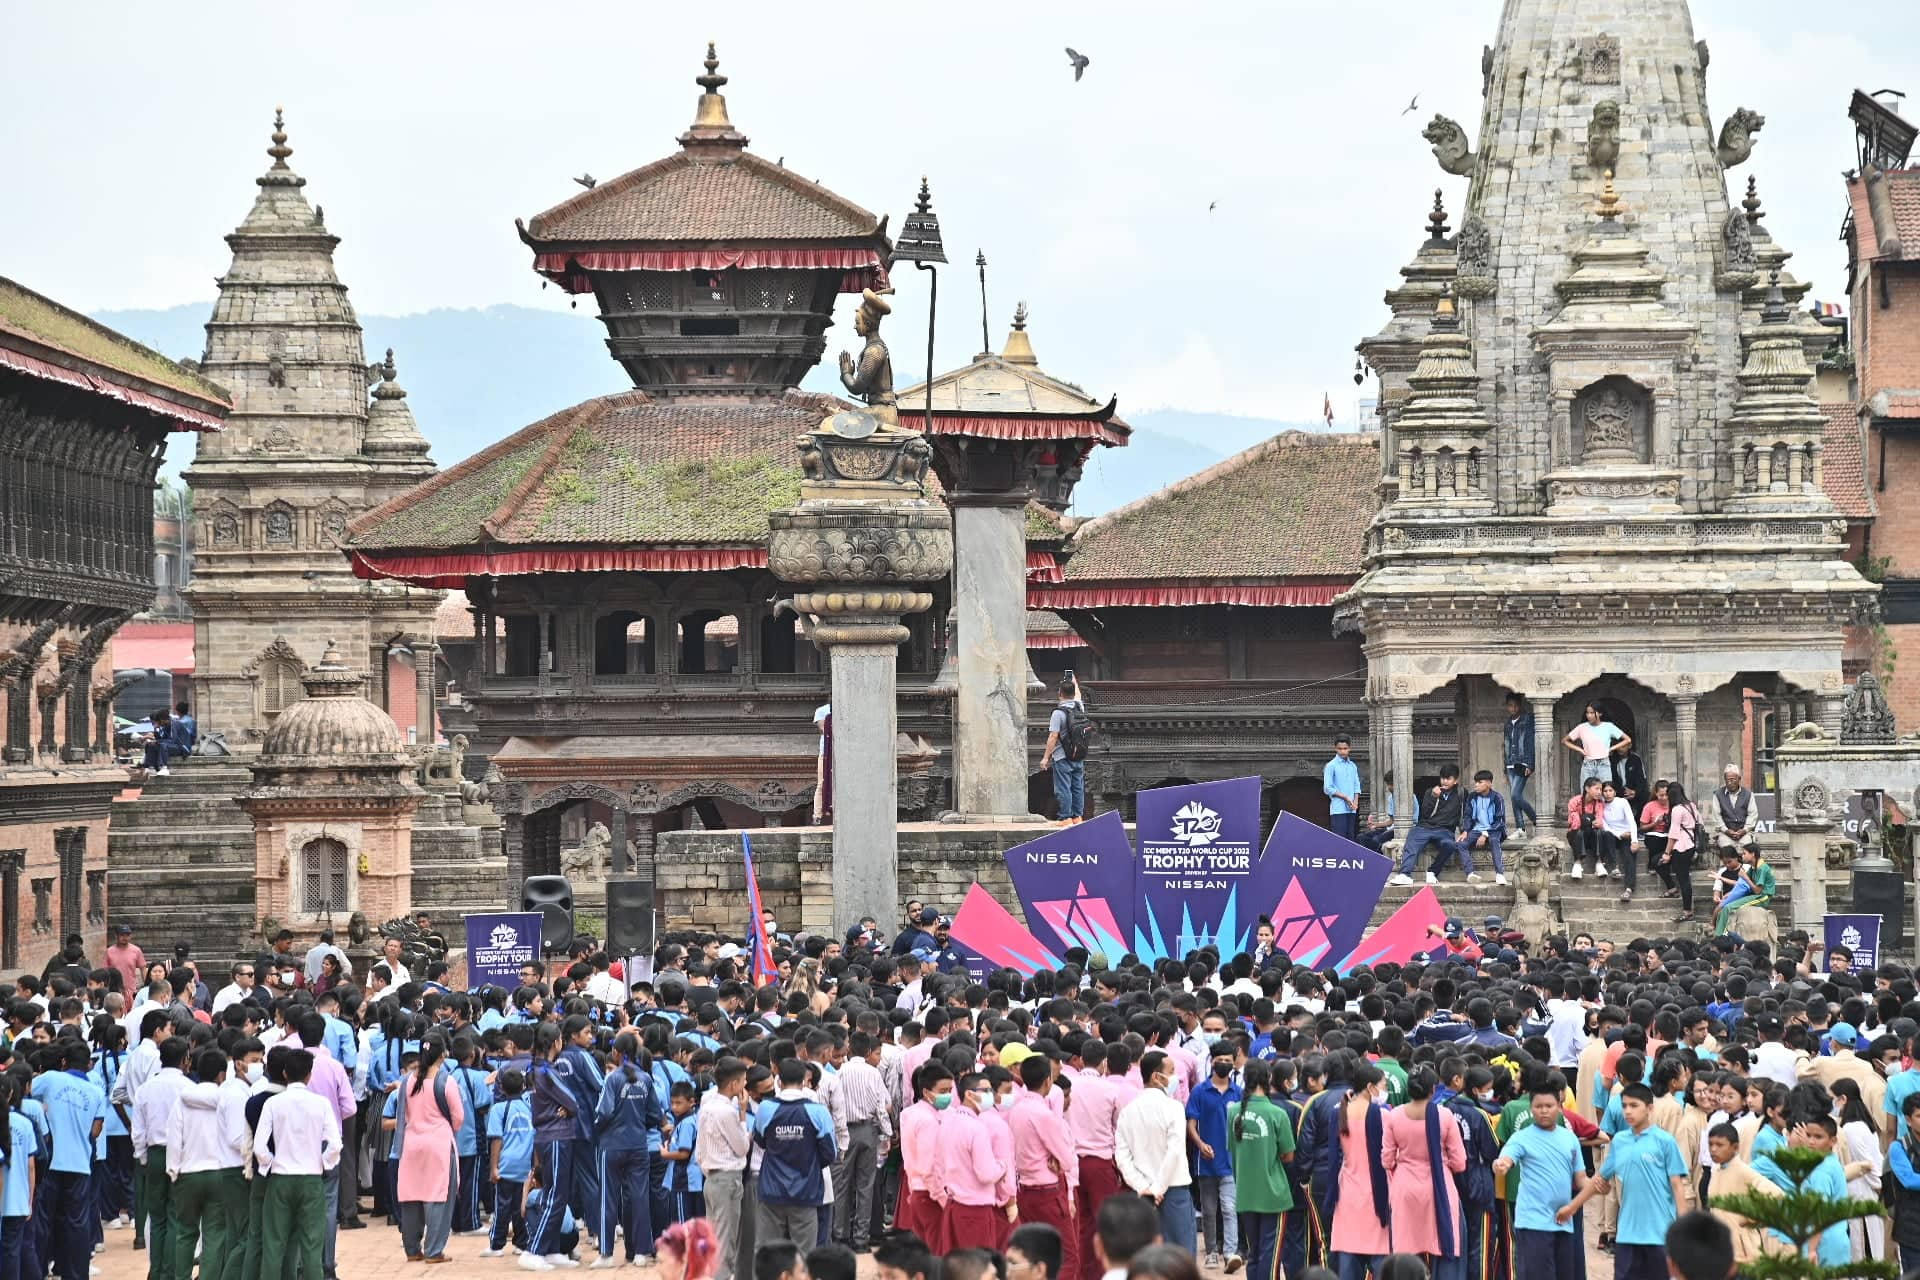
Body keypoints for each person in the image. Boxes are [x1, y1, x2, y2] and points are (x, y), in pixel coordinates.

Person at [1568, 1084, 1687, 1280]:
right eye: (1624, 1106)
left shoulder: (1665, 1142)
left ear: (1649, 1108)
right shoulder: (1620, 1141)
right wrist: (1572, 1207)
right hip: (1627, 1236)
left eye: (1634, 1105)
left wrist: (1683, 1229)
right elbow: (1599, 1179)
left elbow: (1677, 1186)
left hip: (1660, 1234)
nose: (1628, 1111)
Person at [255, 1048, 342, 1280]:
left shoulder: (273, 1103)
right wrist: (323, 1164)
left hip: (281, 1178)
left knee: (274, 1244)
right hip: (311, 1179)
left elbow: (259, 1147)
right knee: (312, 1246)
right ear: (309, 1075)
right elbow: (335, 1144)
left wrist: (270, 1165)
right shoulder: (321, 1104)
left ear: (284, 1073)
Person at [1492, 1081, 1587, 1278]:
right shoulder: (1521, 1138)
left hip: (1563, 1222)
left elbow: (1581, 1180)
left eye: (1549, 1106)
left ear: (1559, 1106)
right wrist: (1501, 1165)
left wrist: (1597, 1185)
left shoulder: (1570, 1139)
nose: (1544, 1111)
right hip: (1533, 1223)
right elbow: (1506, 1158)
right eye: (1538, 1106)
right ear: (1531, 1108)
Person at [1380, 1066, 1465, 1276]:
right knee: (1445, 1249)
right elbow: (1460, 1162)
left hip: (1405, 1189)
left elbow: (1386, 1159)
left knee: (1405, 1252)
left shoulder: (1394, 1116)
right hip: (1439, 1189)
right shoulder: (1445, 1116)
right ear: (1433, 1089)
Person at [1007, 1056, 1080, 1280]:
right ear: (1048, 1081)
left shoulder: (1017, 1109)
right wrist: (1057, 1159)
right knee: (1067, 1255)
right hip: (1047, 1191)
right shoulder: (1044, 1114)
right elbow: (1067, 1159)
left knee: (1034, 1252)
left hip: (1025, 1189)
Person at [752, 1059, 837, 1248]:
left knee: (768, 1255)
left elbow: (760, 1141)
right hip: (806, 1193)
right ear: (805, 1082)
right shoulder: (818, 1112)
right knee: (804, 1255)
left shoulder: (766, 1109)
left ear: (779, 1081)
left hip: (771, 1191)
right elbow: (830, 1153)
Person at [1114, 1051, 1193, 1253]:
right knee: (1180, 1258)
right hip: (1173, 1190)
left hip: (1141, 1192)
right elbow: (1174, 1151)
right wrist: (1157, 1188)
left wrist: (1143, 1187)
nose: (1176, 1077)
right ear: (1157, 1077)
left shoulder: (1128, 1111)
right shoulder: (1174, 1107)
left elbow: (1122, 1157)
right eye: (1172, 1072)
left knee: (1146, 1257)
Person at [1227, 1061, 1294, 1280]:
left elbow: (1232, 1148)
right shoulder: (1277, 1113)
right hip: (1273, 1194)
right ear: (1269, 1079)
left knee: (1254, 1253)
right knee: (1270, 1255)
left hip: (1245, 1192)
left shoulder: (1233, 1112)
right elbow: (1288, 1155)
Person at [1184, 1044, 1241, 1270]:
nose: (1224, 1063)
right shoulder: (1199, 1091)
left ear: (1233, 1063)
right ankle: (1211, 1251)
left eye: (1228, 1059)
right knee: (1208, 1210)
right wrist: (1200, 1144)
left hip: (1230, 1162)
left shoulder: (1238, 1093)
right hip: (1206, 1162)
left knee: (1229, 1208)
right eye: (1220, 1059)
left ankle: (1230, 1252)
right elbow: (1191, 1124)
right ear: (1212, 1061)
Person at [1390, 765, 1465, 887]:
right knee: (1412, 843)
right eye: (1443, 778)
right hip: (1425, 827)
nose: (1445, 781)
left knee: (1450, 845)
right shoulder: (1430, 791)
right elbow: (1425, 813)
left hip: (1445, 830)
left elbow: (1465, 813)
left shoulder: (1461, 793)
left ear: (1456, 780)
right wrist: (1433, 797)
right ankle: (1404, 874)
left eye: (1449, 778)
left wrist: (1465, 830)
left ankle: (1432, 871)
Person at [1041, 674, 1090, 825]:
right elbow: (1078, 695)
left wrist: (1045, 758)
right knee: (1077, 787)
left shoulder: (1058, 713)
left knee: (1063, 788)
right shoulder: (1079, 707)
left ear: (1060, 693)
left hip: (1062, 756)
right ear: (1073, 693)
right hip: (1078, 755)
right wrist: (1072, 678)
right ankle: (1077, 817)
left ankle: (1065, 817)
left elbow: (1053, 737)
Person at [1453, 770, 1509, 888]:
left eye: (1480, 782)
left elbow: (1500, 821)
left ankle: (1500, 874)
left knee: (1494, 841)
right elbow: (1467, 815)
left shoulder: (1497, 798)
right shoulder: (1472, 796)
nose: (1476, 785)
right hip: (1476, 829)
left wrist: (1485, 834)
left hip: (1493, 829)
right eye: (1476, 782)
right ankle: (1470, 874)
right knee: (1461, 843)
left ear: (1489, 783)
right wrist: (1466, 831)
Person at [1712, 845, 1775, 938]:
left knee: (1728, 908)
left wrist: (1745, 876)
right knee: (1724, 908)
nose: (1742, 856)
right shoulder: (1753, 868)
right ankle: (1718, 933)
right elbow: (1741, 885)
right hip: (1753, 895)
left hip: (1762, 897)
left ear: (1752, 854)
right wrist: (1729, 894)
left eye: (1744, 853)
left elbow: (1757, 890)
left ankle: (1722, 936)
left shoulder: (1762, 868)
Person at [1563, 703, 1629, 787]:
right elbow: (1565, 740)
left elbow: (1627, 739)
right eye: (1587, 713)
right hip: (1588, 764)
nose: (1589, 715)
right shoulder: (1581, 727)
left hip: (1604, 764)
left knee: (1605, 792)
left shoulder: (1608, 726)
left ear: (1600, 713)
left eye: (1592, 713)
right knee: (1586, 792)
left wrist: (1611, 748)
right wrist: (1580, 750)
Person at [1502, 694, 1538, 836]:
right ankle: (1520, 829)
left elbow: (1530, 742)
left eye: (1515, 705)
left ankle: (1535, 820)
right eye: (1510, 705)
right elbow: (1505, 745)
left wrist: (1530, 764)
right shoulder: (1507, 723)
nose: (1513, 708)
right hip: (1511, 763)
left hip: (1522, 762)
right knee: (1513, 796)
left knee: (1516, 795)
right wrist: (1505, 768)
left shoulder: (1527, 720)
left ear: (1520, 705)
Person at [1565, 776, 1614, 881]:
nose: (1599, 792)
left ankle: (1599, 863)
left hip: (1591, 835)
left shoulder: (1599, 804)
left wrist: (1597, 822)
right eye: (1596, 789)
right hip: (1576, 835)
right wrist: (1582, 820)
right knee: (1578, 832)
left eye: (1600, 789)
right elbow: (1573, 824)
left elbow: (1599, 820)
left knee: (1599, 833)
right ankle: (1577, 864)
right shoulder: (1575, 801)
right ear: (1587, 789)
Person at [1710, 766, 1762, 859]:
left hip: (1744, 832)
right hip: (1725, 832)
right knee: (1727, 851)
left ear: (1739, 779)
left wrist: (1745, 830)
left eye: (1732, 780)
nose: (1730, 783)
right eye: (1727, 780)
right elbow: (1716, 816)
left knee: (1748, 851)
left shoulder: (1748, 794)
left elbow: (1752, 814)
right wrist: (1726, 831)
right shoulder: (1718, 794)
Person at [1600, 781, 1640, 902]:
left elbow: (1632, 821)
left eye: (1610, 790)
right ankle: (1614, 867)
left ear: (1615, 792)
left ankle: (1629, 889)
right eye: (1605, 791)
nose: (1607, 794)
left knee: (1629, 857)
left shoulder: (1622, 802)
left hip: (1626, 835)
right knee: (1606, 834)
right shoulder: (1600, 805)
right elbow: (1604, 825)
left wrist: (1634, 840)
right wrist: (1618, 834)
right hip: (1613, 835)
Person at [1323, 736, 1362, 842]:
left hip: (1352, 809)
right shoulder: (1331, 766)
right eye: (1340, 749)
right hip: (1338, 809)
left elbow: (1356, 785)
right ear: (1335, 749)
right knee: (1339, 840)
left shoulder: (1353, 766)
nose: (1342, 751)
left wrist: (1356, 802)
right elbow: (1327, 788)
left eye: (1345, 748)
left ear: (1349, 748)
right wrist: (1345, 797)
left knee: (1351, 839)